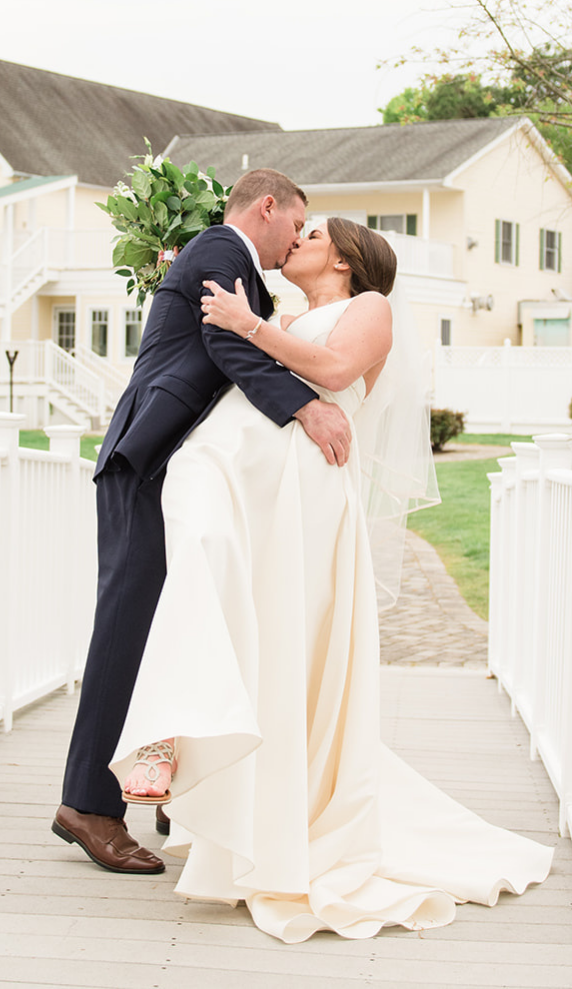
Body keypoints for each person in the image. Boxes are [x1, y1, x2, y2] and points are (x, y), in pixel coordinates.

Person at [108, 218, 554, 941]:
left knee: (287, 641)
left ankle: (230, 780)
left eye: (312, 234)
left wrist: (250, 323)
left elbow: (336, 370)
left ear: (343, 259)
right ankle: (187, 738)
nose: (298, 242)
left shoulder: (368, 306)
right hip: (248, 479)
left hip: (304, 490)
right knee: (213, 574)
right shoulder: (285, 313)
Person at [53, 169, 354, 874]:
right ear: (269, 207)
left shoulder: (237, 267)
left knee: (176, 630)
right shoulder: (220, 249)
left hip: (176, 473)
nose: (297, 240)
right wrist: (306, 408)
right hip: (144, 460)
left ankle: (171, 792)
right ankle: (89, 805)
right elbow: (229, 347)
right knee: (126, 633)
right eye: (297, 223)